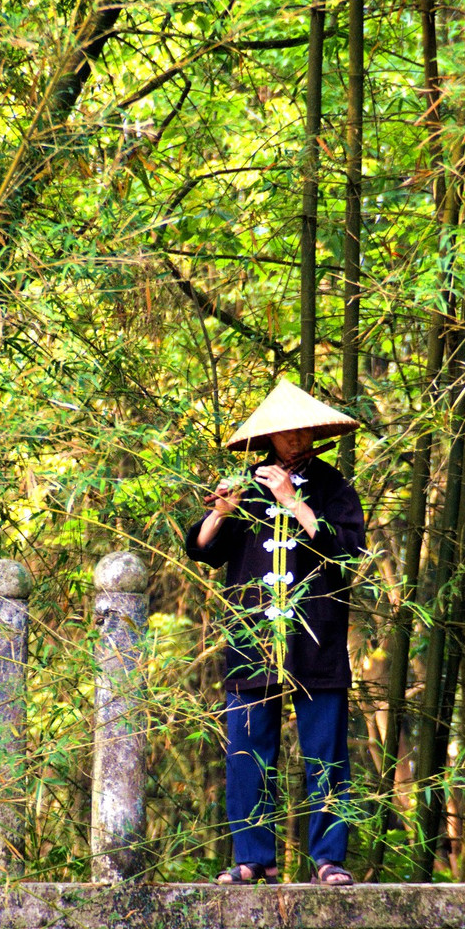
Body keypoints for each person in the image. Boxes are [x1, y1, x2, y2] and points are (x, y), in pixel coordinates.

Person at [186, 378, 365, 885]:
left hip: (317, 641)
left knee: (325, 753)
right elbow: (202, 549)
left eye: (302, 430)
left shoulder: (334, 487)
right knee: (247, 751)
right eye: (285, 433)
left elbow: (349, 550)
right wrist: (219, 513)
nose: (295, 439)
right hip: (252, 641)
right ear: (269, 436)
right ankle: (254, 857)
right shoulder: (243, 485)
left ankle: (329, 859)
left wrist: (294, 502)